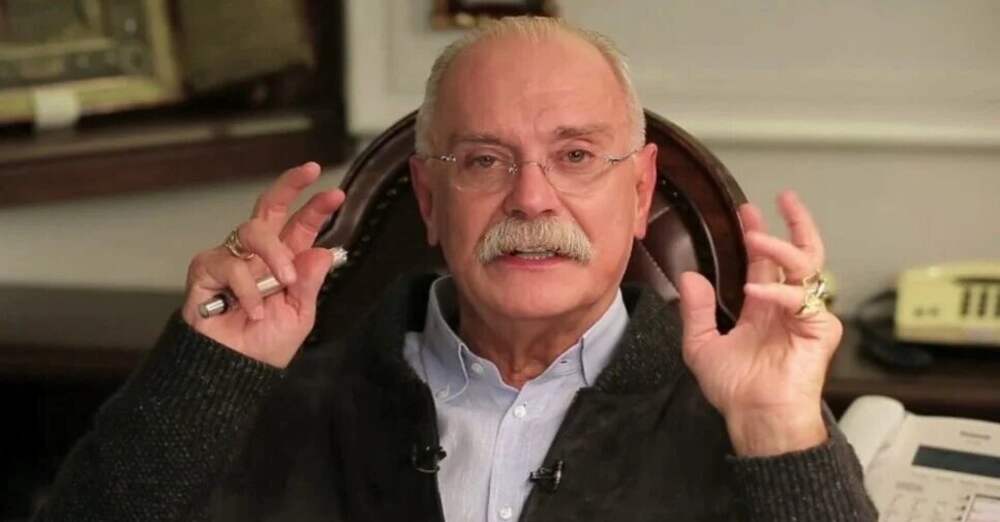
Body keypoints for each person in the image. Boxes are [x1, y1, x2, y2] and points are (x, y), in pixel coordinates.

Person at [34, 17, 876, 522]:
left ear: (639, 191)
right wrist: (205, 379)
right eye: (483, 161)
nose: (532, 199)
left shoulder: (740, 416)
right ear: (431, 200)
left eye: (575, 156)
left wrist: (781, 431)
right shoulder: (286, 397)